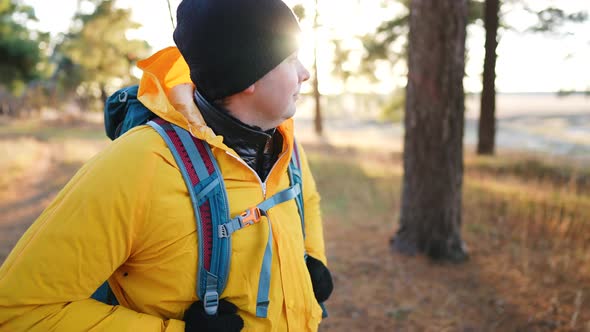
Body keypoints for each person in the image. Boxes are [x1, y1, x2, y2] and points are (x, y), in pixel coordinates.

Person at [0, 0, 333, 331]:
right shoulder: (139, 163)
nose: (305, 73)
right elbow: (20, 312)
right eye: (291, 59)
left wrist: (312, 257)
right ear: (248, 75)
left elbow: (308, 200)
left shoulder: (283, 146)